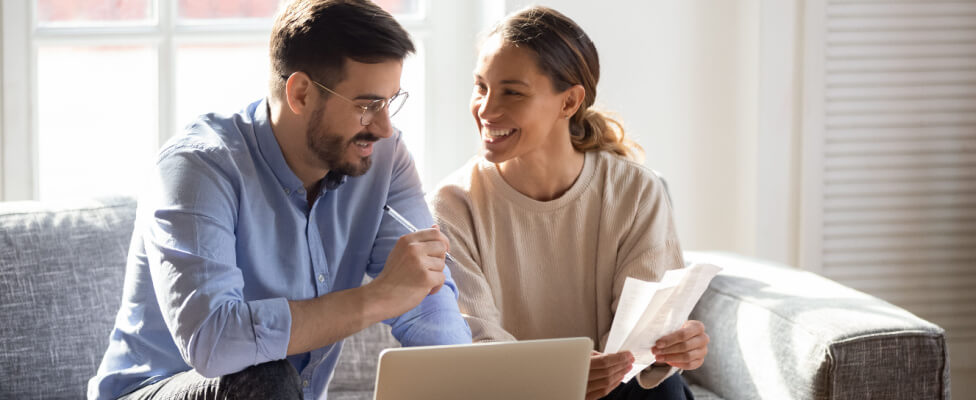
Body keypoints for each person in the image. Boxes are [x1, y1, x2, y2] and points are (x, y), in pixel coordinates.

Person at [88, 1, 471, 399]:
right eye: (367, 105)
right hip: (159, 388)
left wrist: (465, 383)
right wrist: (375, 299)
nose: (384, 126)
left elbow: (426, 296)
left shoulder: (383, 158)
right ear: (301, 94)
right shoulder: (197, 168)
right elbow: (214, 340)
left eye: (391, 101)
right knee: (266, 375)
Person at [428, 6, 708, 400]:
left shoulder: (635, 190)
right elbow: (476, 344)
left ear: (569, 102)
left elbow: (642, 335)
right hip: (512, 392)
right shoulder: (452, 205)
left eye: (511, 91)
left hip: (619, 390)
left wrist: (670, 349)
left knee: (661, 389)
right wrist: (562, 376)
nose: (486, 110)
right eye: (481, 86)